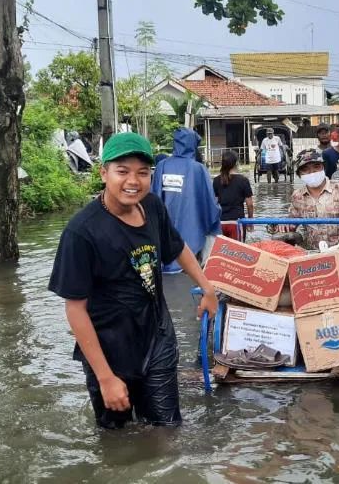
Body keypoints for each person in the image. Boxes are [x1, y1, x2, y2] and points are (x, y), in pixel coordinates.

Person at [48, 132, 219, 430]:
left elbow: (177, 247)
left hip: (157, 336)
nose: (133, 181)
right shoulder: (82, 232)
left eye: (143, 173)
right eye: (122, 171)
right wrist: (105, 378)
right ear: (103, 173)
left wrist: (207, 288)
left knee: (167, 429)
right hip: (110, 349)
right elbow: (75, 309)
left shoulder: (152, 206)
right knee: (117, 439)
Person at [151, 128, 221, 273]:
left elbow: (153, 198)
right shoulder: (198, 169)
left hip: (166, 228)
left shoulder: (162, 166)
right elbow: (209, 203)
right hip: (192, 227)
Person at [285, 149, 339, 249]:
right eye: (306, 169)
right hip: (312, 252)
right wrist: (282, 226)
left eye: (316, 166)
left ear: (323, 168)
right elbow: (291, 223)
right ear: (299, 174)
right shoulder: (297, 196)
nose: (312, 172)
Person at [213, 150, 254, 240]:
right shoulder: (243, 180)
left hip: (220, 223)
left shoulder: (216, 180)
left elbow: (214, 204)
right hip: (236, 222)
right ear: (236, 163)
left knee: (221, 252)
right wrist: (250, 221)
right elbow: (250, 205)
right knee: (237, 252)